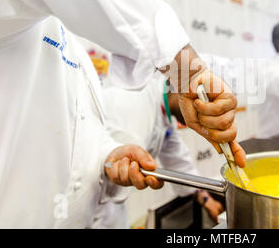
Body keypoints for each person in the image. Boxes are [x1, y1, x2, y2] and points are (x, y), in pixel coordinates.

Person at [0, 0, 243, 227]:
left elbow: (72, 139)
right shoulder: (0, 9)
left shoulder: (74, 51)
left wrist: (108, 157)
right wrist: (188, 70)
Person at [92, 75, 224, 228]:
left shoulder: (164, 110)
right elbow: (111, 167)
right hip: (95, 204)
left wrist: (205, 199)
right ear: (183, 89)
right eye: (200, 107)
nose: (200, 119)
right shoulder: (134, 101)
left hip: (112, 207)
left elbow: (177, 160)